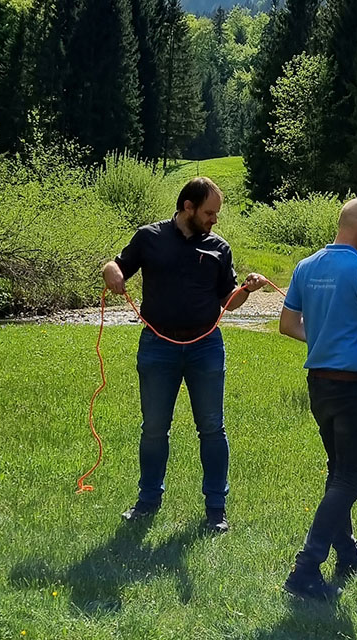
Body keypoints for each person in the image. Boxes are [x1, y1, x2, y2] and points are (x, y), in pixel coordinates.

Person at [101, 177, 268, 534]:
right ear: (188, 207)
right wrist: (111, 271)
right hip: (158, 346)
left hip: (205, 347)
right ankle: (147, 502)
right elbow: (116, 266)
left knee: (212, 428)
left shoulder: (219, 248)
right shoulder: (149, 237)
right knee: (154, 428)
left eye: (216, 213)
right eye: (209, 212)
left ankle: (215, 509)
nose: (214, 220)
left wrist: (247, 291)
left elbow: (229, 302)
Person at [278, 198, 357, 600]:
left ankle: (347, 553)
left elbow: (288, 325)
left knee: (338, 473)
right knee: (351, 479)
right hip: (352, 391)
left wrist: (320, 338)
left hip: (318, 387)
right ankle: (306, 568)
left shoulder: (306, 265)